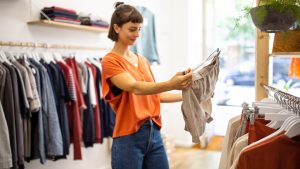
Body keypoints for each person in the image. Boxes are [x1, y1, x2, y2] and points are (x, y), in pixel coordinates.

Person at [101, 2, 193, 169]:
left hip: (154, 133)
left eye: (139, 29)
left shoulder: (141, 60)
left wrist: (189, 96)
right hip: (128, 137)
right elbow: (135, 87)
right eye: (132, 29)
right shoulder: (110, 61)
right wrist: (172, 83)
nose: (137, 34)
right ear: (116, 28)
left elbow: (155, 95)